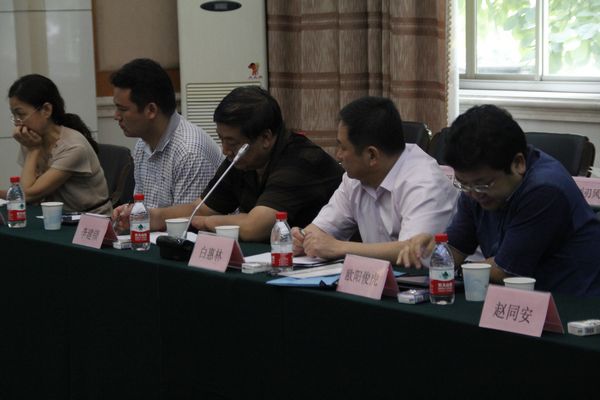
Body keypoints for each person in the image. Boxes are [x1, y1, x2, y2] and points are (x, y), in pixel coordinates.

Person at [397, 104, 600, 297]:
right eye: (464, 184)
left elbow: (505, 271)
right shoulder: (474, 185)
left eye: (482, 185)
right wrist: (432, 250)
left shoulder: (545, 189)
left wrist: (452, 267)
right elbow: (457, 249)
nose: (473, 194)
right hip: (517, 300)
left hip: (573, 303)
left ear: (518, 164)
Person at [113, 86, 344, 242]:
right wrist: (150, 217)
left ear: (265, 138)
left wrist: (205, 223)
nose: (225, 150)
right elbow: (201, 208)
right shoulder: (243, 159)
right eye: (222, 140)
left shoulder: (300, 161)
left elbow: (255, 226)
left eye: (232, 142)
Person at [291, 96, 459, 264]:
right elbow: (322, 231)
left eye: (343, 148)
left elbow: (413, 253)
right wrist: (303, 239)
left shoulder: (425, 183)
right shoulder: (355, 178)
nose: (338, 155)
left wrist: (339, 248)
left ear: (371, 155)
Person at [110, 58, 223, 208]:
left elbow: (187, 220)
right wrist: (130, 212)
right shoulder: (142, 145)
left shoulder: (189, 152)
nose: (116, 116)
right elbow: (144, 210)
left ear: (151, 110)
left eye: (123, 109)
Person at [5, 74, 111, 215]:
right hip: (55, 216)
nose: (18, 123)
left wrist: (33, 150)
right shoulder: (32, 139)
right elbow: (27, 192)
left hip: (91, 219)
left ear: (46, 110)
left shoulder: (73, 146)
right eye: (14, 116)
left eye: (21, 114)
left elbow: (27, 195)